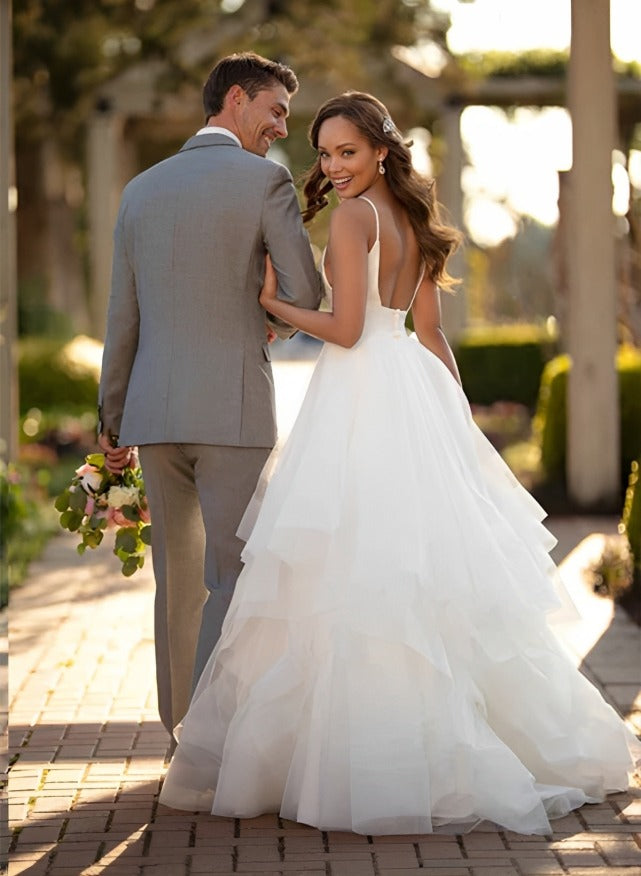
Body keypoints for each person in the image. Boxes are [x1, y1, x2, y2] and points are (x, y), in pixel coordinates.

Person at [159, 92, 640, 835]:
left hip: (359, 397)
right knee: (416, 574)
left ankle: (371, 759)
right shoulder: (413, 220)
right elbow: (431, 334)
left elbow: (346, 332)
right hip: (410, 391)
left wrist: (276, 305)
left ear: (381, 150)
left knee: (351, 570)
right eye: (323, 154)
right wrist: (456, 422)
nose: (333, 167)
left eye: (346, 152)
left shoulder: (353, 219)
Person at [97, 52, 323, 745]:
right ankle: (217, 737)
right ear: (234, 100)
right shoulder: (264, 181)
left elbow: (122, 316)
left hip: (155, 415)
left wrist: (112, 417)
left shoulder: (140, 189)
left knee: (177, 580)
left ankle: (179, 728)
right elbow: (305, 295)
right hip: (233, 412)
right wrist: (273, 318)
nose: (281, 128)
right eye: (275, 110)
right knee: (233, 573)